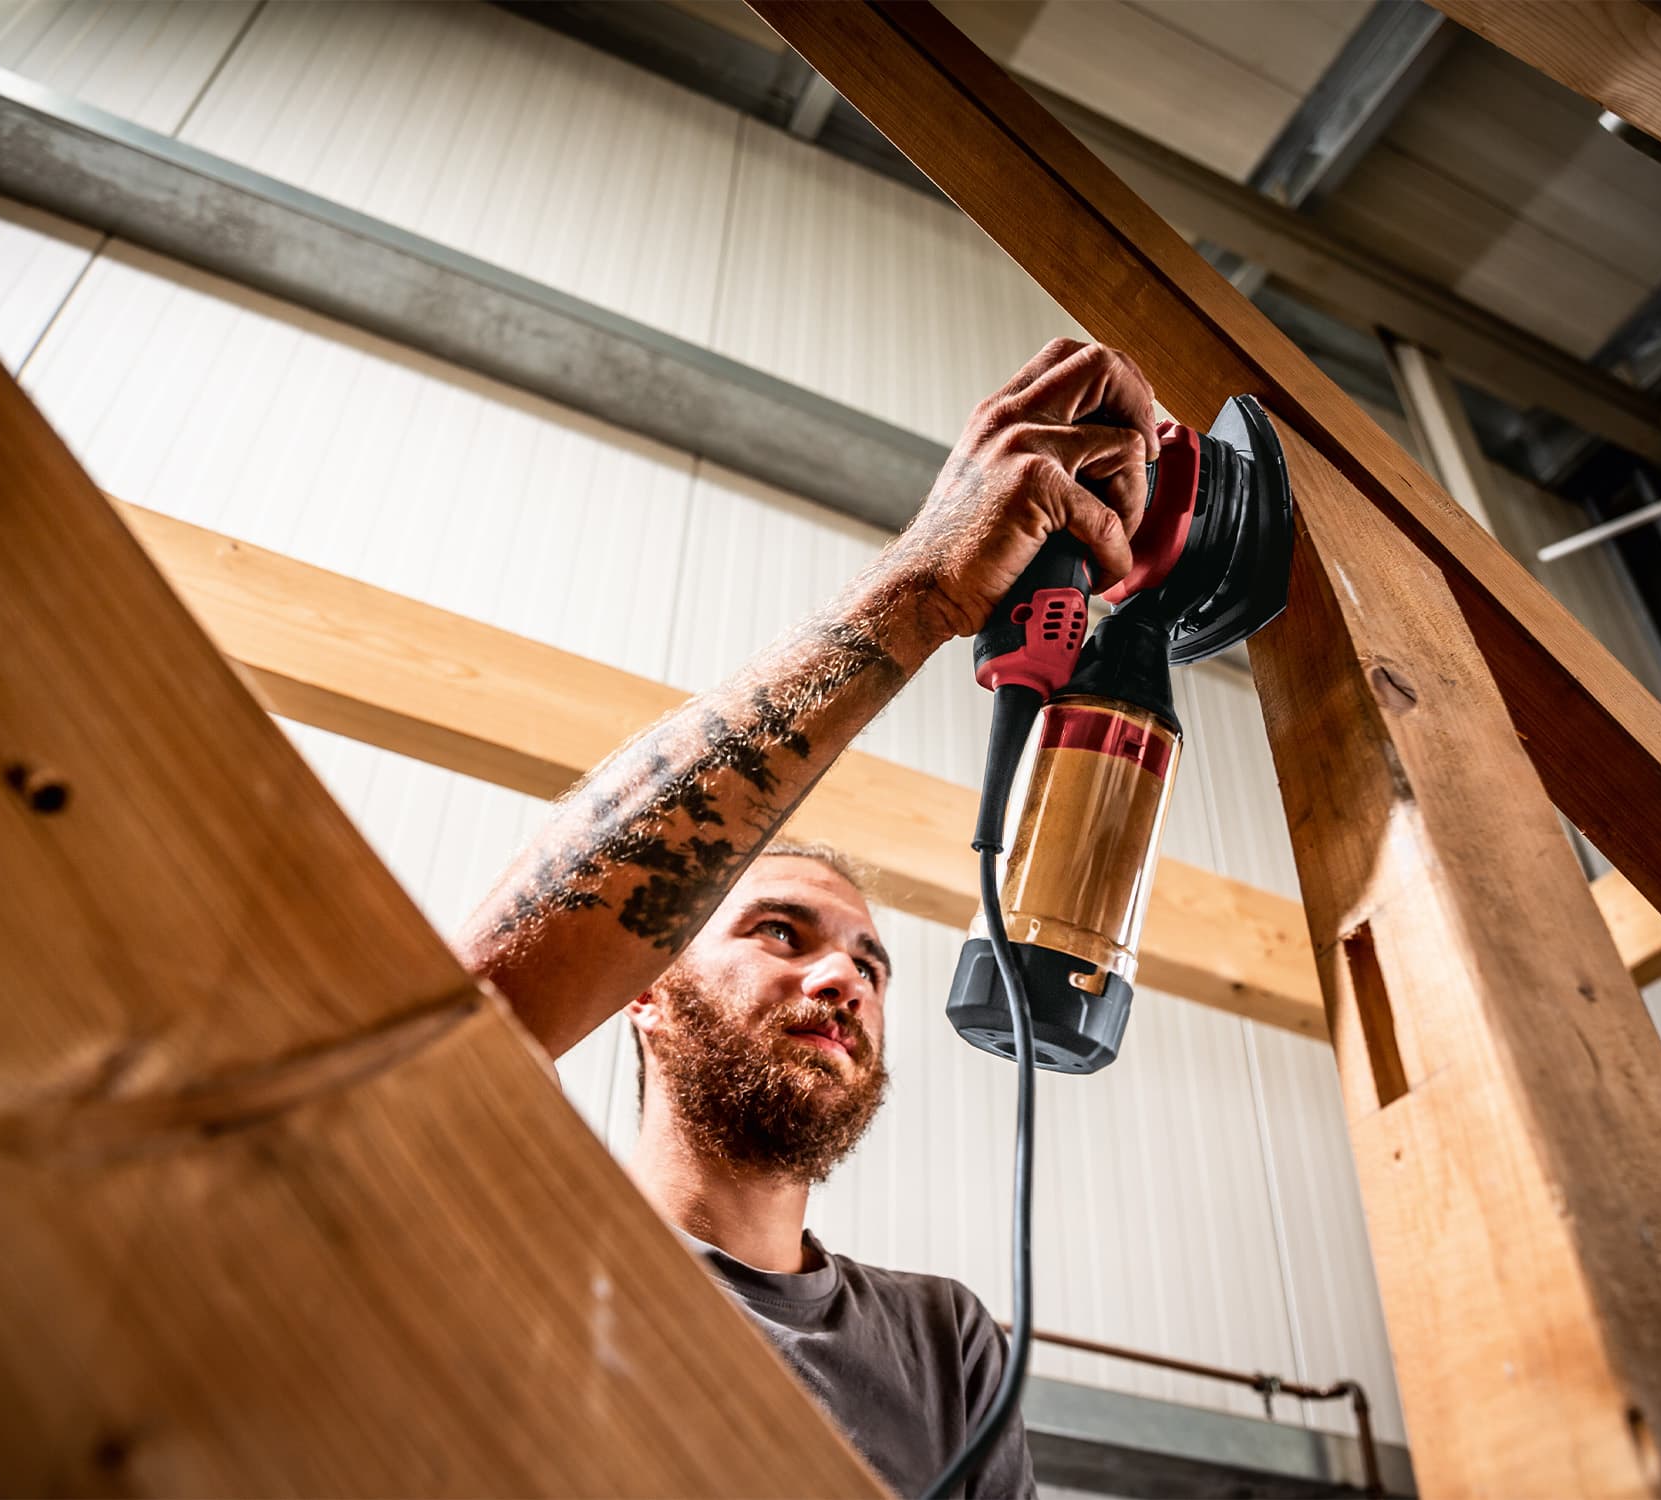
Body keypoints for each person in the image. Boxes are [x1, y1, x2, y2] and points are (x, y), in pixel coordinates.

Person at [454, 339, 1159, 1497]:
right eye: (779, 932)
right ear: (643, 985)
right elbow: (466, 1015)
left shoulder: (945, 1349)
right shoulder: (509, 1253)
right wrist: (920, 593)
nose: (844, 979)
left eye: (869, 965)